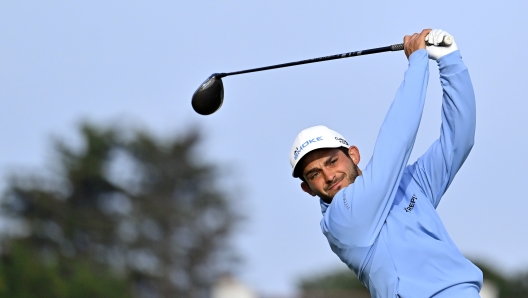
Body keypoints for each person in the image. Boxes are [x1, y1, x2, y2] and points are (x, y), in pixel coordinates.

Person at [289, 29, 483, 297]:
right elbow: (395, 144)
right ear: (308, 189)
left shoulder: (408, 184)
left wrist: (450, 61)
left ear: (353, 155)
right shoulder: (340, 219)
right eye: (314, 174)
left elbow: (459, 138)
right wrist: (417, 63)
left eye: (332, 161)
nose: (329, 175)